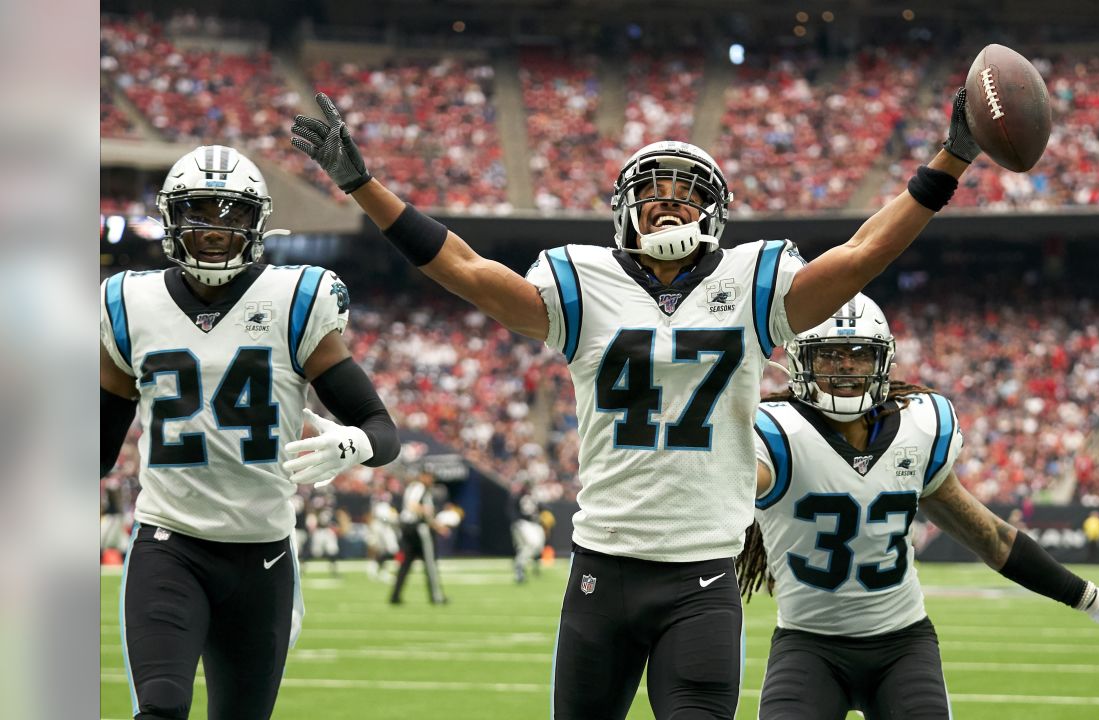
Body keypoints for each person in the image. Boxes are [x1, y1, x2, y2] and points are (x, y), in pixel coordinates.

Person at [293, 86, 979, 719]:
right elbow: (469, 272)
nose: (669, 204)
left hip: (702, 575)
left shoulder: (753, 281)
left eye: (686, 192)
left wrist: (949, 161)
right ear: (627, 208)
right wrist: (363, 185)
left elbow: (861, 255)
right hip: (603, 567)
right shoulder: (582, 281)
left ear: (713, 209)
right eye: (654, 193)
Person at [735, 294, 1099, 720]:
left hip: (901, 646)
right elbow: (728, 482)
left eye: (859, 354)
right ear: (799, 362)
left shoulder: (919, 429)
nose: (846, 366)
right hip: (808, 646)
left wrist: (1091, 600)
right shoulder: (773, 433)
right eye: (829, 356)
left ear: (882, 362)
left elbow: (993, 538)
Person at [99, 144, 402, 720]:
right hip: (170, 544)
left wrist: (355, 444)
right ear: (171, 219)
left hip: (261, 557)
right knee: (160, 708)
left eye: (230, 213)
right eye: (199, 211)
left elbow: (380, 428)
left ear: (257, 221)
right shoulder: (128, 302)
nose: (214, 229)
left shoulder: (294, 299)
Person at [389, 470, 449, 605]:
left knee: (406, 563)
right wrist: (426, 511)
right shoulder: (419, 487)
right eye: (429, 476)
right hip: (418, 529)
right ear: (423, 476)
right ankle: (436, 596)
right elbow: (413, 506)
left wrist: (438, 526)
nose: (431, 480)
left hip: (409, 529)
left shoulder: (413, 487)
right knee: (430, 563)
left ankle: (395, 596)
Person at [509, 481, 547, 583]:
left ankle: (526, 565)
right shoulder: (517, 497)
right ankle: (519, 566)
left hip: (534, 524)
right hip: (523, 523)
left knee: (537, 547)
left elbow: (542, 509)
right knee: (531, 544)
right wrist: (516, 522)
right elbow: (512, 511)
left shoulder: (534, 498)